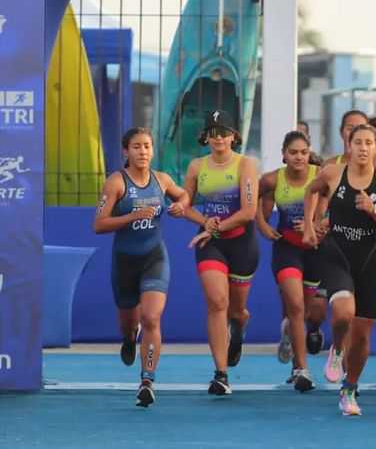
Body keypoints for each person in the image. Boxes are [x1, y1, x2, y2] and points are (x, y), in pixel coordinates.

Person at [302, 123, 376, 416]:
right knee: (343, 312)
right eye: (358, 142)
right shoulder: (333, 173)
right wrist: (310, 225)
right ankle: (336, 347)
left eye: (369, 143)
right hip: (337, 254)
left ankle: (350, 389)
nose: (363, 148)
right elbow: (311, 191)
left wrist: (375, 211)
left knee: (362, 334)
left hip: (370, 259)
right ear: (349, 145)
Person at [93, 127, 193, 407]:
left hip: (154, 258)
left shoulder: (161, 180)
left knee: (151, 318)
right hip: (125, 262)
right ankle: (128, 338)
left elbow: (184, 195)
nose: (143, 152)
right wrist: (132, 215)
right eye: (136, 147)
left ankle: (147, 380)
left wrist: (180, 206)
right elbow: (99, 224)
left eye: (147, 146)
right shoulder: (116, 183)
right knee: (129, 323)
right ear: (126, 151)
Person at [183, 111, 260, 396]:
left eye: (223, 132)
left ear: (233, 137)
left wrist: (216, 226)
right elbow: (186, 204)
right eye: (212, 132)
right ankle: (221, 373)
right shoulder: (195, 166)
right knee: (217, 302)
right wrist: (203, 222)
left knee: (236, 310)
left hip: (241, 243)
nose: (218, 137)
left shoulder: (246, 165)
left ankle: (239, 327)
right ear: (205, 137)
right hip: (210, 243)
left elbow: (249, 211)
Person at [255, 130, 321, 393]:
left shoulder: (320, 176)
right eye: (293, 152)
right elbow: (253, 202)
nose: (298, 157)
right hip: (286, 249)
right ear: (284, 154)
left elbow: (330, 208)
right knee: (294, 305)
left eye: (303, 152)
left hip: (314, 249)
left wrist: (316, 224)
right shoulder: (272, 180)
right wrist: (262, 225)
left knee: (309, 312)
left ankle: (293, 339)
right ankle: (301, 369)